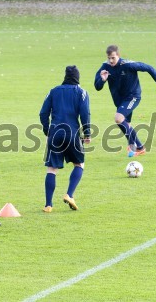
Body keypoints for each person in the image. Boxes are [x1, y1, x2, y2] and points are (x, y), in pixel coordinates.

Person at [95, 45, 156, 156]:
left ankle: (140, 147)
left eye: (113, 58)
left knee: (118, 118)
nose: (110, 60)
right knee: (125, 124)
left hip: (133, 96)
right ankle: (132, 145)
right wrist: (102, 80)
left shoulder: (128, 65)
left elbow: (149, 68)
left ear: (118, 56)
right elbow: (97, 87)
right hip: (119, 100)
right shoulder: (105, 67)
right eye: (109, 58)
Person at [39, 66, 91, 213]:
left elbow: (43, 113)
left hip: (55, 132)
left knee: (52, 169)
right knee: (79, 164)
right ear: (77, 78)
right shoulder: (81, 92)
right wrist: (87, 133)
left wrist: (47, 130)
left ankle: (48, 205)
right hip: (73, 133)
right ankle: (69, 195)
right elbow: (85, 114)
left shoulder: (53, 91)